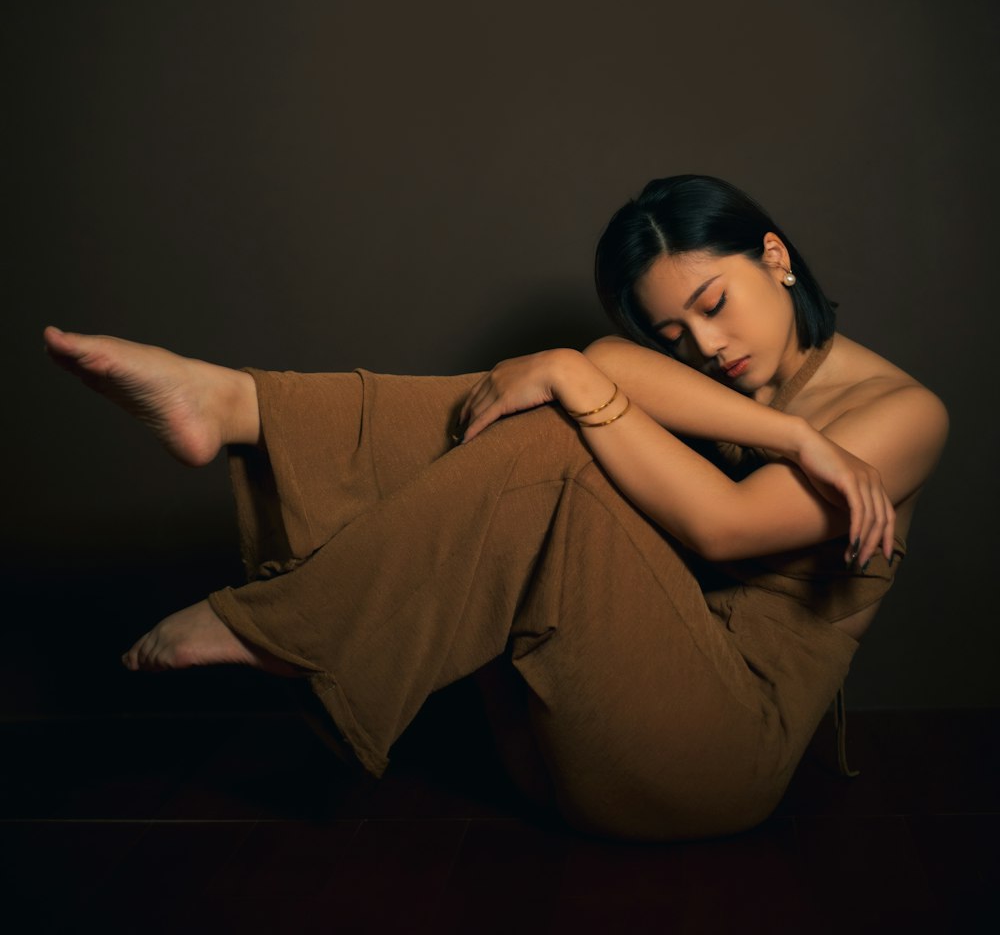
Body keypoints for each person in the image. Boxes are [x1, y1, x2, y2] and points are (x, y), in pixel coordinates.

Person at [43, 174, 947, 842]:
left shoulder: (904, 415)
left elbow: (726, 526)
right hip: (563, 731)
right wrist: (791, 436)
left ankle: (285, 605)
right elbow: (609, 358)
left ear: (775, 259)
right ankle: (239, 410)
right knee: (559, 418)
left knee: (560, 435)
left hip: (709, 763)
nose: (706, 347)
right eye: (675, 334)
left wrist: (571, 376)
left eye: (714, 304)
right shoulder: (747, 395)